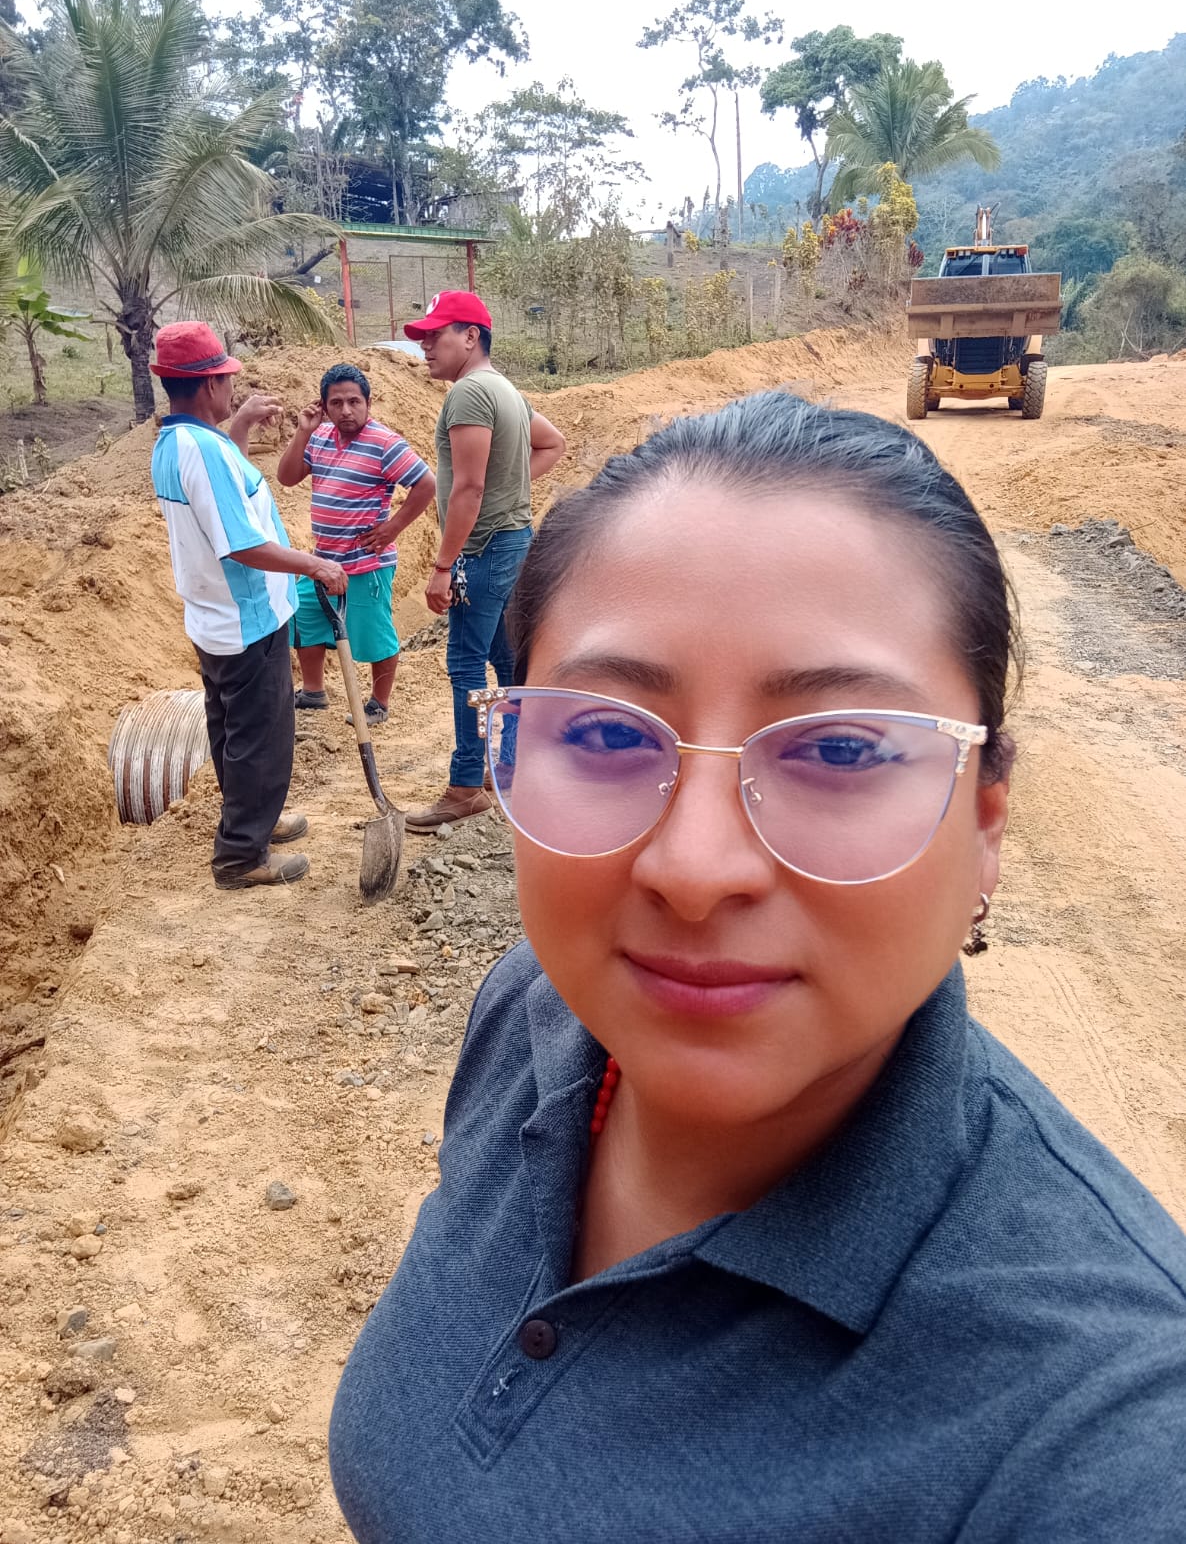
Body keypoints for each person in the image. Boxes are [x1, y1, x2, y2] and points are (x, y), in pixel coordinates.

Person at [328, 393, 1186, 1540]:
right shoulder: (529, 1016)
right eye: (604, 732)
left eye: (840, 748)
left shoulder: (1108, 1439)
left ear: (985, 823)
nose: (694, 869)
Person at [150, 322, 347, 890]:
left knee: (234, 731)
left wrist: (236, 428)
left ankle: (253, 818)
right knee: (261, 737)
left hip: (215, 617)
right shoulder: (204, 452)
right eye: (227, 381)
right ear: (209, 384)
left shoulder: (175, 444)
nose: (232, 389)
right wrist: (314, 564)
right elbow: (239, 543)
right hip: (247, 618)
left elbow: (221, 500)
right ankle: (240, 856)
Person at [401, 291, 566, 831]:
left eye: (435, 335)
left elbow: (468, 488)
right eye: (423, 338)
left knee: (465, 663)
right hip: (512, 542)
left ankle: (466, 785)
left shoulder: (470, 393)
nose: (426, 347)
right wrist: (509, 489)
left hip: (484, 549)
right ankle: (510, 766)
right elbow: (552, 444)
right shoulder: (505, 390)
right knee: (505, 658)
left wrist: (443, 566)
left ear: (470, 336)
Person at [277, 363, 435, 725]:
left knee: (375, 634)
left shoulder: (385, 443)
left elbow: (426, 483)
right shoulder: (319, 437)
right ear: (324, 406)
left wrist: (392, 528)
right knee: (303, 616)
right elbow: (286, 477)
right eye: (336, 403)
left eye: (354, 401)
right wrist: (303, 431)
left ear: (368, 403)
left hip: (366, 562)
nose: (346, 410)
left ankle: (379, 703)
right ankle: (314, 691)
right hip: (323, 560)